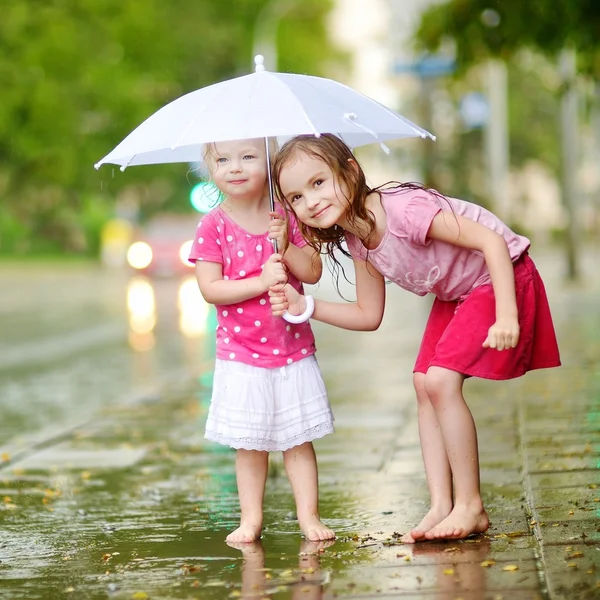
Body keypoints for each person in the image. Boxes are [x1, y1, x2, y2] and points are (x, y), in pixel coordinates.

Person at [268, 133, 561, 543]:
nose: (310, 201)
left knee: (441, 380)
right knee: (423, 383)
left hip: (501, 275)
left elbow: (492, 242)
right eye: (296, 197)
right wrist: (307, 307)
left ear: (351, 171)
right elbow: (368, 316)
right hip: (458, 291)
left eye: (318, 183)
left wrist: (507, 315)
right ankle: (442, 504)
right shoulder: (358, 240)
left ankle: (471, 505)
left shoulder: (405, 211)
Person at [188, 137, 335, 544]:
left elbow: (312, 272)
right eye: (222, 159)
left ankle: (309, 515)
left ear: (268, 163)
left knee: (297, 439)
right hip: (241, 354)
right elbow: (210, 288)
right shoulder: (213, 225)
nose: (234, 167)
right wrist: (259, 282)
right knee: (250, 444)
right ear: (211, 167)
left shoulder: (284, 216)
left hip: (291, 350)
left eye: (248, 157)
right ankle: (250, 519)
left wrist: (286, 246)